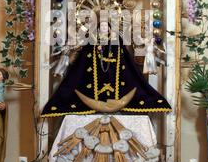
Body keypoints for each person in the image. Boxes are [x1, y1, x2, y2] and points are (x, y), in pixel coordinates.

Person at [41, 20, 171, 119]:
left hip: (115, 79)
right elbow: (84, 61)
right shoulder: (91, 41)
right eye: (101, 26)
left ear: (109, 28)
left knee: (135, 82)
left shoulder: (116, 40)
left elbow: (124, 59)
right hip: (93, 83)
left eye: (106, 26)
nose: (103, 28)